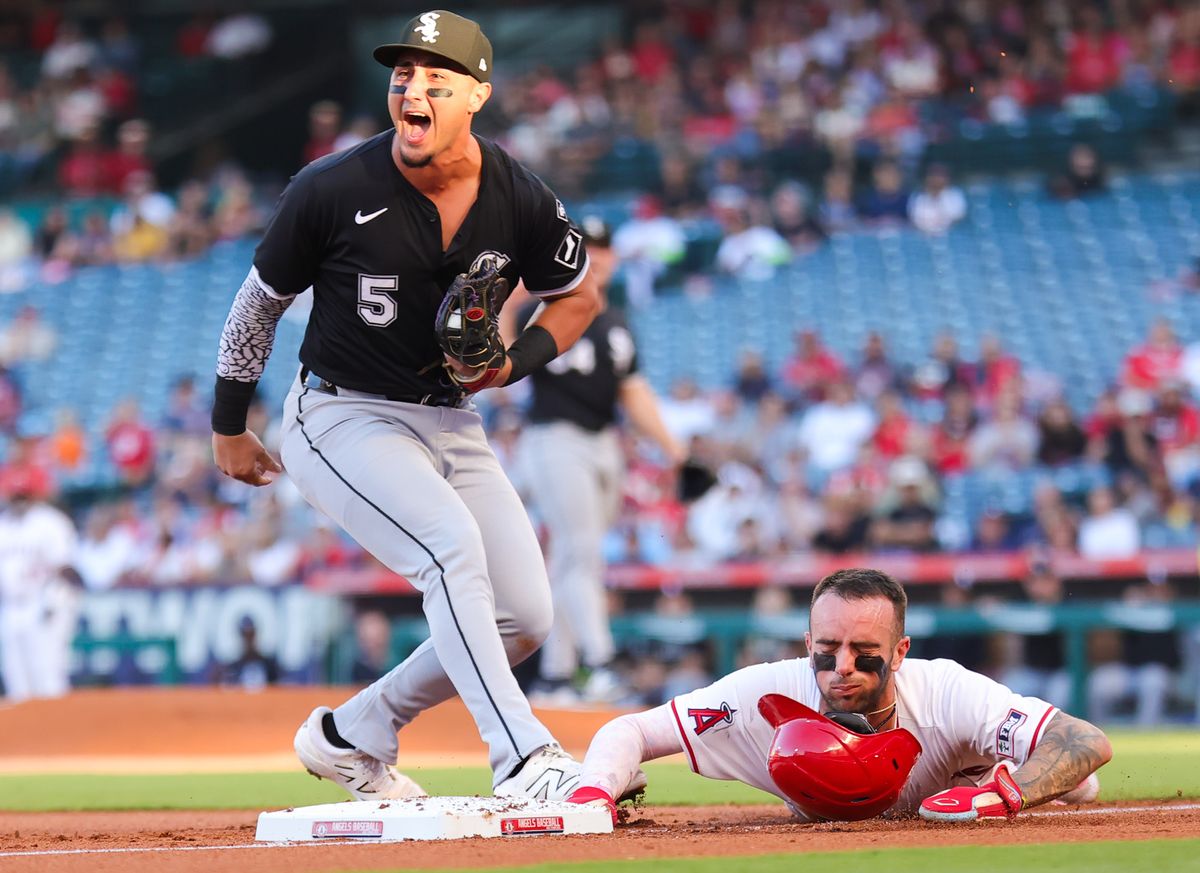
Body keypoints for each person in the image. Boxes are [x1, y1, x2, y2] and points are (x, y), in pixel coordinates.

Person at [210, 11, 600, 803]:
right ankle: (523, 755)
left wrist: (511, 366)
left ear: (477, 96)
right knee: (451, 548)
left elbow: (578, 296)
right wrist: (227, 425)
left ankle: (351, 732)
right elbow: (257, 307)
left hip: (451, 418)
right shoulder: (330, 187)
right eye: (402, 75)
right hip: (340, 415)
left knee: (524, 614)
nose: (411, 90)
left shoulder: (519, 194)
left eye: (435, 78)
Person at [566, 568, 1110, 823]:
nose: (842, 667)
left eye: (864, 650)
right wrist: (594, 792)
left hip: (969, 775)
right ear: (808, 642)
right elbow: (631, 729)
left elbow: (1085, 739)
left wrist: (999, 795)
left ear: (900, 652)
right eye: (826, 647)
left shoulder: (945, 690)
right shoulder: (763, 692)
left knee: (1080, 786)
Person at [505, 217, 687, 704]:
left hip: (604, 442)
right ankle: (600, 663)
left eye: (605, 248)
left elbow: (633, 391)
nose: (599, 256)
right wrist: (510, 303)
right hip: (555, 437)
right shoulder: (549, 308)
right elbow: (502, 358)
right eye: (588, 248)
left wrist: (673, 449)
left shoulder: (618, 321)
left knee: (571, 559)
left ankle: (556, 676)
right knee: (581, 552)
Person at [0, 470, 81, 702]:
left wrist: (59, 603)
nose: (19, 500)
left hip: (44, 601)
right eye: (15, 495)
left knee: (47, 672)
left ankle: (58, 731)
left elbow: (65, 567)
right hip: (10, 605)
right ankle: (27, 735)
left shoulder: (50, 523)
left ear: (35, 495)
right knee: (15, 676)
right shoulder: (3, 525)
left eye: (24, 495)